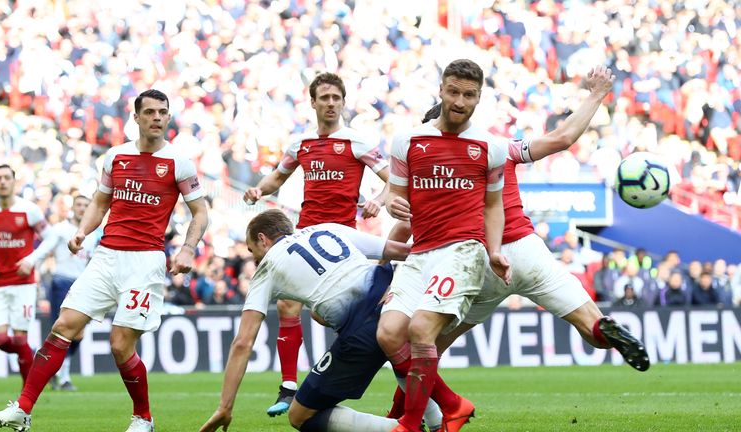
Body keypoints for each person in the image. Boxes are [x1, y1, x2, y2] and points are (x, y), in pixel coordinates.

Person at [386, 66, 650, 428]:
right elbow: (561, 138)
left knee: (425, 345)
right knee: (592, 327)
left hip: (479, 259)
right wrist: (596, 94)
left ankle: (403, 415)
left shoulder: (441, 155)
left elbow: (408, 220)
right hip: (528, 251)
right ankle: (605, 329)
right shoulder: (499, 148)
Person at [0, 89, 209, 432]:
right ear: (135, 118)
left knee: (120, 345)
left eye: (162, 112)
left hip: (145, 261)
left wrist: (188, 249)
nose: (156, 118)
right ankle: (23, 409)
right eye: (149, 112)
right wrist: (82, 231)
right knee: (63, 326)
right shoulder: (115, 157)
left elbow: (200, 212)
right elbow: (99, 202)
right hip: (106, 256)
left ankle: (143, 418)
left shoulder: (179, 162)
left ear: (168, 116)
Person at [243, 72, 390, 416]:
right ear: (313, 102)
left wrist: (379, 201)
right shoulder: (302, 144)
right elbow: (278, 176)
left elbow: (392, 180)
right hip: (307, 233)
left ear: (343, 102)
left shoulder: (357, 142)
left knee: (340, 316)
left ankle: (348, 376)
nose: (330, 104)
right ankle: (288, 387)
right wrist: (259, 190)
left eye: (336, 98)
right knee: (287, 306)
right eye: (324, 98)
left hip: (342, 238)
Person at [378, 59, 511, 432]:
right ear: (440, 90)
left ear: (479, 98)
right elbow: (396, 197)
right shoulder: (408, 141)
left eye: (469, 95)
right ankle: (452, 405)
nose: (460, 101)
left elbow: (493, 204)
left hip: (464, 250)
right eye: (453, 92)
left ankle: (410, 422)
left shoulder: (490, 147)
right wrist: (391, 203)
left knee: (421, 330)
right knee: (388, 334)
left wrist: (496, 249)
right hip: (420, 253)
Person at [199, 210, 410, 432]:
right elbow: (400, 250)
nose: (255, 259)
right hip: (397, 301)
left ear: (263, 239)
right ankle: (432, 422)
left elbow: (243, 342)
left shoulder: (267, 267)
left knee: (300, 415)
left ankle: (401, 428)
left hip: (362, 330)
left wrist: (225, 407)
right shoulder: (325, 228)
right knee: (408, 358)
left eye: (252, 250)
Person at [0, 163, 47, 386]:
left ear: (14, 181)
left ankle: (26, 399)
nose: (3, 182)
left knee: (19, 337)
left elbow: (51, 238)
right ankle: (28, 353)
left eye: (7, 178)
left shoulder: (30, 210)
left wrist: (31, 260)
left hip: (23, 283)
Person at [25, 194, 99, 391]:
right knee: (64, 330)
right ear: (72, 208)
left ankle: (55, 370)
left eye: (86, 205)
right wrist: (30, 263)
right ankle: (63, 376)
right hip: (61, 282)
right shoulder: (60, 230)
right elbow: (43, 250)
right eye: (79, 205)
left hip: (83, 284)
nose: (82, 208)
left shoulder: (92, 234)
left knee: (79, 334)